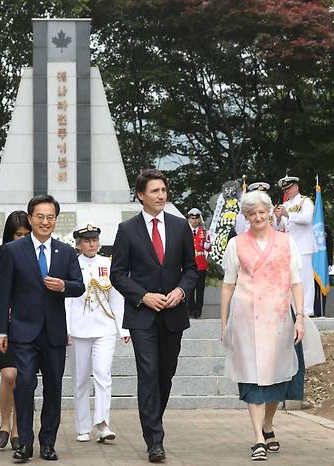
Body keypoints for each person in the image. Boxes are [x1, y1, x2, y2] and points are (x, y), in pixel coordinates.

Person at [111, 168, 197, 463]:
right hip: (142, 316)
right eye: (155, 191)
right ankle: (154, 439)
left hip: (173, 313)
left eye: (163, 190)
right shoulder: (127, 230)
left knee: (165, 374)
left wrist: (181, 292)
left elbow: (191, 269)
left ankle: (152, 420)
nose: (161, 195)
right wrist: (143, 296)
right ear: (140, 195)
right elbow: (118, 275)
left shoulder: (179, 226)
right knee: (148, 374)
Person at [0, 195, 85, 462]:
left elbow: (79, 286)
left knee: (53, 388)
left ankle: (48, 442)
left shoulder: (66, 251)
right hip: (22, 332)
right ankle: (24, 443)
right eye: (40, 217)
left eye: (50, 217)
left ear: (56, 220)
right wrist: (1, 330)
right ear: (31, 218)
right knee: (24, 385)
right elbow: (3, 294)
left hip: (54, 333)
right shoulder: (13, 251)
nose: (45, 222)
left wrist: (64, 287)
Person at [220, 190, 305, 462]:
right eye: (251, 213)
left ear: (270, 212)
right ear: (245, 216)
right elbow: (228, 284)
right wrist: (224, 322)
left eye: (261, 212)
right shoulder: (236, 244)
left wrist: (300, 316)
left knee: (277, 376)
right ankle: (258, 437)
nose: (257, 217)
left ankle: (268, 424)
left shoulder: (286, 242)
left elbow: (296, 281)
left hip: (278, 317)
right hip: (245, 317)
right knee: (252, 376)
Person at [65, 223, 130, 443]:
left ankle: (102, 423)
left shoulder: (107, 264)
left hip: (104, 327)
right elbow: (68, 300)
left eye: (94, 240)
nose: (91, 244)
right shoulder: (72, 264)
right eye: (86, 241)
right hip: (79, 328)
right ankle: (83, 426)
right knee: (80, 379)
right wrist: (67, 329)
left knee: (103, 375)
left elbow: (117, 298)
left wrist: (122, 327)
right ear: (79, 244)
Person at [0, 210, 31, 451]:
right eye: (17, 235)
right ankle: (5, 422)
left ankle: (17, 430)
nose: (22, 239)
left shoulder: (35, 256)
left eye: (26, 234)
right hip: (2, 326)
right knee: (9, 375)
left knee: (23, 378)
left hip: (28, 327)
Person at [273, 176, 317, 317]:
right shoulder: (285, 205)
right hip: (289, 246)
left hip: (303, 245)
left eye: (290, 188)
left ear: (296, 187)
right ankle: (293, 307)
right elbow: (278, 227)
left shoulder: (305, 201)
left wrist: (288, 214)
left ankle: (307, 309)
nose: (288, 191)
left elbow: (307, 218)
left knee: (305, 278)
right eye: (285, 189)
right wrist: (279, 218)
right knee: (291, 278)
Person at [186, 208, 211, 318]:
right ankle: (190, 309)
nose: (194, 221)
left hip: (201, 264)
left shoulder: (204, 231)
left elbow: (209, 249)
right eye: (192, 219)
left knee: (200, 289)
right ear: (189, 219)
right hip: (189, 264)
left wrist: (208, 246)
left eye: (196, 219)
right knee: (189, 288)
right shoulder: (185, 231)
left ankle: (198, 310)